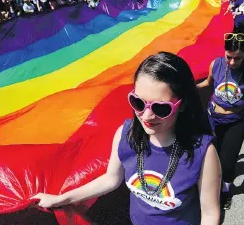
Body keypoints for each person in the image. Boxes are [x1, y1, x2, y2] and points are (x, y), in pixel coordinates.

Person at [32, 52, 221, 225]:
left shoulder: (203, 152)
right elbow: (110, 180)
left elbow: (210, 215)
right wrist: (60, 199)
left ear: (182, 105)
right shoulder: (127, 134)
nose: (146, 116)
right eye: (138, 102)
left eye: (160, 108)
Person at [197, 33, 244, 210]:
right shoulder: (216, 64)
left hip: (235, 122)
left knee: (228, 162)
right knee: (211, 157)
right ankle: (209, 187)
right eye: (229, 57)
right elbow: (208, 83)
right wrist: (189, 87)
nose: (232, 62)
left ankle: (225, 190)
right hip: (213, 118)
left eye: (238, 58)